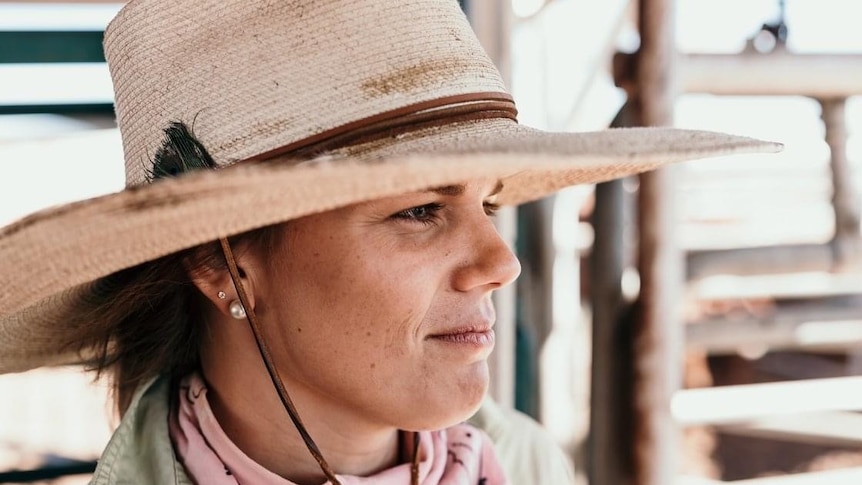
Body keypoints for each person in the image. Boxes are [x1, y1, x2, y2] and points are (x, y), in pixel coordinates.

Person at [0, 0, 779, 484]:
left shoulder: (527, 462)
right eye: (419, 212)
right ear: (222, 259)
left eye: (486, 202)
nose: (500, 262)